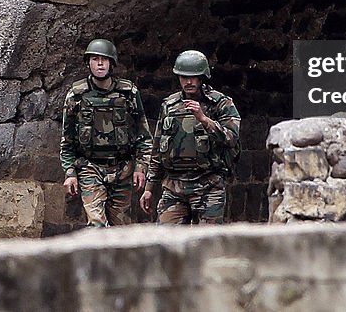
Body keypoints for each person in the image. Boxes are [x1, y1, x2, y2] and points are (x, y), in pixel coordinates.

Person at [139, 49, 241, 224]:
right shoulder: (169, 106)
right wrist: (149, 188)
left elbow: (231, 138)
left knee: (208, 245)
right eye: (184, 77)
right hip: (174, 186)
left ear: (202, 77)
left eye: (193, 77)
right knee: (165, 242)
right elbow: (157, 149)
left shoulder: (220, 103)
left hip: (209, 185)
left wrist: (203, 119)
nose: (188, 81)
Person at [60, 38, 152, 226]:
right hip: (90, 167)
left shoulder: (128, 93)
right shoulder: (77, 95)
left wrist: (141, 168)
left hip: (123, 169)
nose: (100, 64)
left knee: (120, 228)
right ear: (88, 63)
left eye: (104, 59)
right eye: (95, 59)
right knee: (96, 225)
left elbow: (144, 137)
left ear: (112, 63)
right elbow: (67, 140)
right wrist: (70, 173)